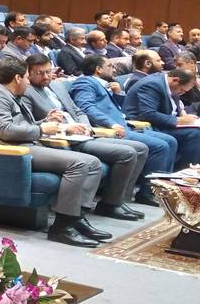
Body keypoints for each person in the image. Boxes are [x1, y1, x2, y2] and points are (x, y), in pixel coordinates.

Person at [0, 59, 107, 247]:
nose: (28, 82)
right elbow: (5, 131)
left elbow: (20, 126)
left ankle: (76, 217)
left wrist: (45, 121)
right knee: (80, 163)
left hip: (24, 144)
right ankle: (62, 227)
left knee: (93, 163)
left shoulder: (10, 94)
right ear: (17, 78)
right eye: (26, 78)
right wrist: (42, 129)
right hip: (10, 152)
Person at [20, 55, 148, 220]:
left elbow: (78, 111)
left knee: (140, 148)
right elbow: (31, 125)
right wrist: (64, 127)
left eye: (48, 71)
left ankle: (118, 200)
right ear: (28, 73)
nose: (46, 76)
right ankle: (105, 206)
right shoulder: (27, 92)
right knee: (127, 153)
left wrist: (85, 127)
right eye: (39, 73)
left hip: (83, 134)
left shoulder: (57, 85)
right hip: (64, 140)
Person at [68, 54, 176, 207]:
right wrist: (111, 124)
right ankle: (147, 193)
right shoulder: (85, 82)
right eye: (110, 66)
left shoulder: (104, 84)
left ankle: (161, 188)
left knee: (170, 141)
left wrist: (118, 94)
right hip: (108, 130)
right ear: (98, 69)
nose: (114, 69)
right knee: (160, 146)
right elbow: (86, 107)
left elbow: (118, 109)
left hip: (125, 125)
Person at [123, 67, 200, 170]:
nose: (182, 93)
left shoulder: (169, 84)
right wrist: (178, 120)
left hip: (159, 122)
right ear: (175, 80)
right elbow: (148, 114)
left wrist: (183, 116)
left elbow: (173, 107)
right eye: (182, 90)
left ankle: (187, 171)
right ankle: (184, 171)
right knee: (195, 134)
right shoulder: (152, 84)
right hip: (142, 125)